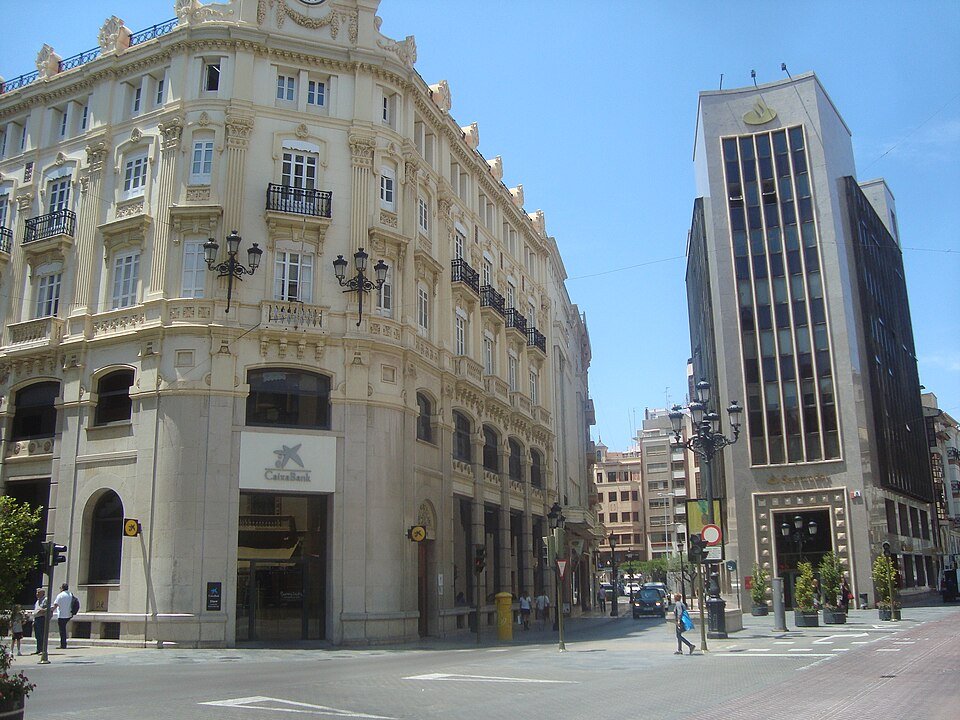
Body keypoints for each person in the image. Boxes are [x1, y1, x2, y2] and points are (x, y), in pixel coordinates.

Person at [53, 583, 75, 649]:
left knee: (62, 630)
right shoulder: (70, 594)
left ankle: (63, 644)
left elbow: (55, 605)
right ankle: (64, 643)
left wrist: (51, 611)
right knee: (64, 629)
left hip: (61, 615)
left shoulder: (60, 595)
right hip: (69, 614)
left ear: (62, 588)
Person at [31, 588, 48, 655]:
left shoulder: (45, 600)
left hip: (42, 618)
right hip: (36, 619)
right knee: (37, 635)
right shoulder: (37, 601)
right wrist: (33, 620)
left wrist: (42, 610)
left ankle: (42, 650)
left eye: (38, 592)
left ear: (42, 593)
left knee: (42, 635)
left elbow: (49, 608)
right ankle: (38, 649)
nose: (36, 594)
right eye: (36, 592)